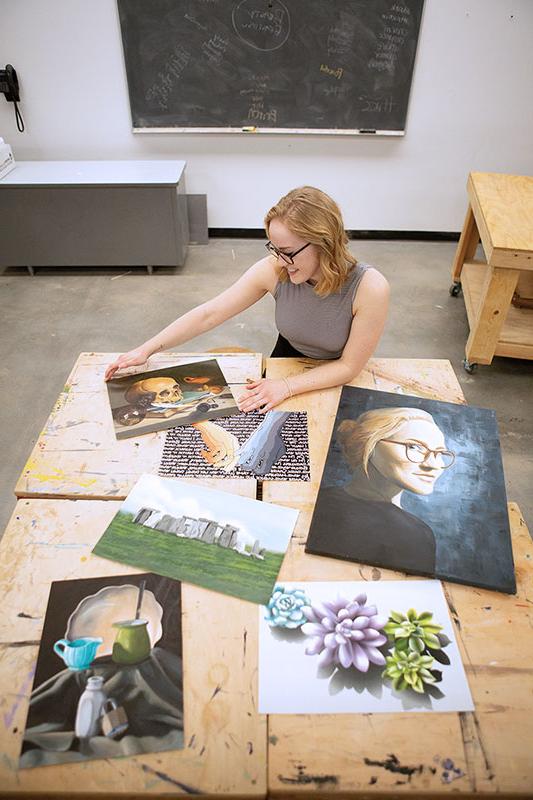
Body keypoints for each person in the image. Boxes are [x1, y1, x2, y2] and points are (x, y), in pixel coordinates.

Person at [105, 186, 389, 413]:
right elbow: (210, 314)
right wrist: (147, 349)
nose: (280, 260)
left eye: (287, 251)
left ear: (324, 243)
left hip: (333, 377)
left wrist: (287, 387)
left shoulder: (370, 288)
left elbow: (349, 367)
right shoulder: (275, 268)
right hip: (285, 363)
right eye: (274, 248)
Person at [307, 406, 456, 575]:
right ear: (369, 443)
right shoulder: (415, 535)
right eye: (415, 447)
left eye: (440, 453)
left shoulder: (415, 534)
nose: (433, 465)